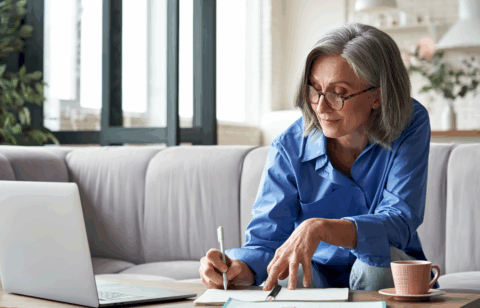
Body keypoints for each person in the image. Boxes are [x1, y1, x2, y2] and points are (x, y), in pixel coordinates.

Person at [199, 23, 438, 291]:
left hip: (383, 267)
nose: (321, 107)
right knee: (285, 273)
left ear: (377, 96)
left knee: (375, 265)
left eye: (339, 93)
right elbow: (266, 242)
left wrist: (321, 228)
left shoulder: (410, 122)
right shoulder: (289, 146)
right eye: (314, 89)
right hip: (316, 271)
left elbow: (399, 220)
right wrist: (237, 269)